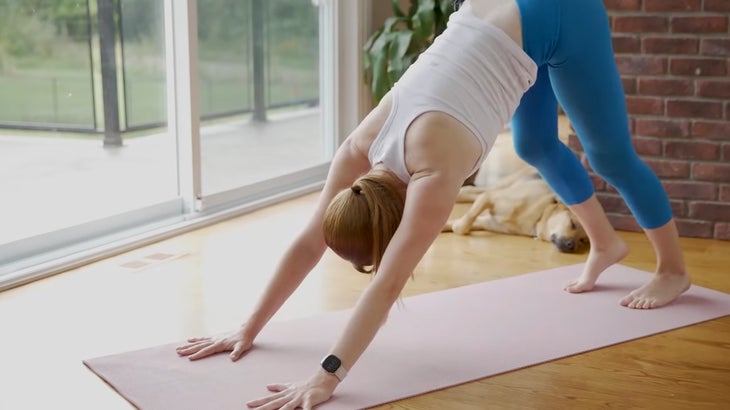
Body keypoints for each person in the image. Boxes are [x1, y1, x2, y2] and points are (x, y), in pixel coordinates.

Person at [176, 0, 691, 408]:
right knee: (535, 144)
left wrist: (326, 376)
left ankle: (672, 270)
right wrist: (247, 327)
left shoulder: (434, 175)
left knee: (609, 155)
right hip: (501, 23)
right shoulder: (362, 145)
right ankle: (605, 243)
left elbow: (387, 285)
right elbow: (310, 240)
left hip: (558, 12)